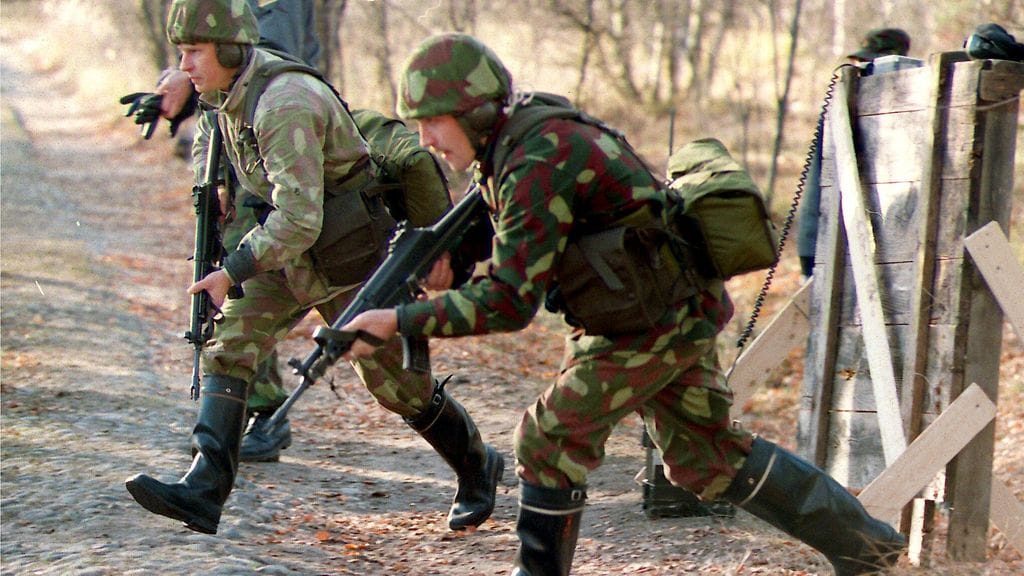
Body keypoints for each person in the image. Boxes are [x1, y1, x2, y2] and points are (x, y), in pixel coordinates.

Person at [340, 33, 907, 576]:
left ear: (477, 111)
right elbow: (524, 234)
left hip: (647, 323)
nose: (425, 138)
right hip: (649, 310)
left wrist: (400, 320)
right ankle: (867, 549)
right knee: (709, 458)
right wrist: (454, 267)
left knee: (547, 437)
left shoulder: (535, 156)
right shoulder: (517, 144)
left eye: (433, 120)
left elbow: (510, 301)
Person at [124, 2, 504, 536]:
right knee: (231, 344)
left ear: (231, 51)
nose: (184, 64)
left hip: (346, 254)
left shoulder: (283, 101)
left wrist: (231, 270)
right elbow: (230, 160)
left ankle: (477, 465)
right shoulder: (224, 95)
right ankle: (204, 489)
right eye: (181, 52)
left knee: (398, 388)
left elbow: (300, 219)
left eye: (193, 52)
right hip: (288, 254)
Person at [121, 0, 322, 462]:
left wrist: (189, 82)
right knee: (233, 271)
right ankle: (247, 411)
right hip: (235, 141)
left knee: (250, 274)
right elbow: (213, 63)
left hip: (277, 147)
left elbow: (265, 51)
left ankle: (264, 414)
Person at [797, 28, 910, 278]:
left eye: (869, 64)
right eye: (861, 64)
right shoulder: (842, 109)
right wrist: (809, 250)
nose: (861, 72)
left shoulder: (909, 109)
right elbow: (818, 185)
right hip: (833, 246)